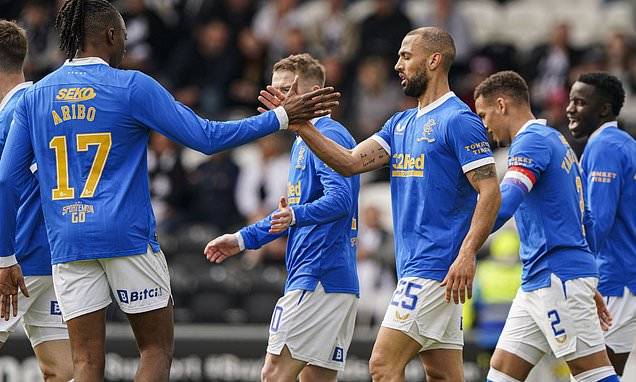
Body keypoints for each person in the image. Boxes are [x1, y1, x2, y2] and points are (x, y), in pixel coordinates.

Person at [0, 1, 339, 381]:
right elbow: (206, 137)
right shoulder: (132, 85)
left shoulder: (35, 96)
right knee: (156, 349)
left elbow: (5, 180)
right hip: (125, 237)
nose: (126, 43)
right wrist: (280, 117)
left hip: (67, 243)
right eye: (123, 35)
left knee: (84, 365)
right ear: (111, 35)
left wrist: (5, 257)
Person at [260, 27, 501, 382]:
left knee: (383, 365)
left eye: (406, 56)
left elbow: (490, 192)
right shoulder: (400, 123)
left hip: (435, 268)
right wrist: (302, 126)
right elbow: (349, 162)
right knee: (442, 373)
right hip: (421, 270)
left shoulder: (458, 121)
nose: (397, 64)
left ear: (433, 60)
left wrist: (467, 254)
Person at [204, 53, 360, 382]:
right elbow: (289, 213)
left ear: (315, 93)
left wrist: (295, 216)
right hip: (331, 278)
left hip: (317, 275)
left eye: (287, 91)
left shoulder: (328, 135)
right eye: (275, 91)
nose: (279, 101)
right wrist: (243, 239)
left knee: (274, 374)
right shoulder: (303, 141)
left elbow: (341, 200)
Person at [473, 70, 619, 382]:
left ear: (502, 105)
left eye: (484, 115)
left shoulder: (530, 143)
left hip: (556, 277)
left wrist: (458, 239)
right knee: (501, 372)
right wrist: (583, 274)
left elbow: (504, 204)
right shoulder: (556, 140)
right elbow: (587, 220)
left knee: (592, 374)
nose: (484, 125)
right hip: (542, 280)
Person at [0, 19, 72, 382]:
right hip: (57, 259)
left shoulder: (9, 117)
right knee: (62, 371)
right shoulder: (47, 104)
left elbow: (3, 186)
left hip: (14, 261)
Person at [567, 72, 636, 376]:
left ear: (604, 109)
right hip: (627, 277)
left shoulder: (604, 146)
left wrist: (571, 263)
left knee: (591, 374)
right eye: (571, 100)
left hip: (615, 280)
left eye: (580, 102)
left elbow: (599, 220)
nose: (570, 108)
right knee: (609, 373)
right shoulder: (625, 143)